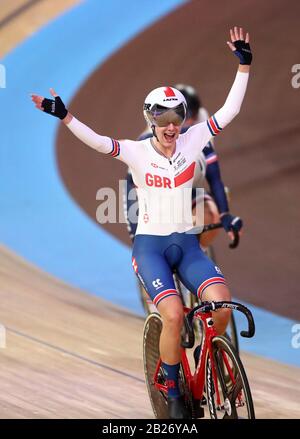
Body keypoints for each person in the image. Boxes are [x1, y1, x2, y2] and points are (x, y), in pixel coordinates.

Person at [31, 26, 252, 419]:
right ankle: (171, 385)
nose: (170, 126)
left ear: (184, 120)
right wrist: (65, 116)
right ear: (149, 119)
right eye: (161, 117)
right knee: (173, 316)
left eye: (177, 118)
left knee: (222, 307)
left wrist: (245, 66)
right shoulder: (134, 152)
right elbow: (100, 142)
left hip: (186, 245)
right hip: (150, 248)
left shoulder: (193, 140)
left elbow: (229, 112)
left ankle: (208, 354)